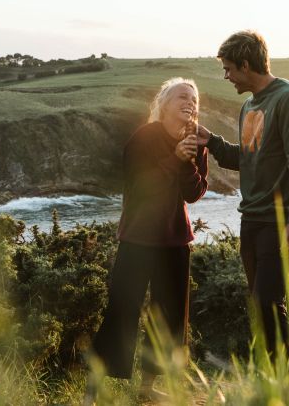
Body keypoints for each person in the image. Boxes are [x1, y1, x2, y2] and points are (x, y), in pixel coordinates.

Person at [195, 30, 289, 354]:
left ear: (246, 65)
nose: (226, 76)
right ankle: (277, 380)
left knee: (268, 301)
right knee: (260, 304)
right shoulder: (249, 106)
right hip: (250, 219)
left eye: (229, 68)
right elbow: (248, 158)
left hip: (278, 221)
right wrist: (213, 142)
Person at [88, 77, 207, 401]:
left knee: (169, 316)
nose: (191, 102)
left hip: (175, 240)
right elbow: (140, 185)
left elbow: (194, 193)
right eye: (183, 96)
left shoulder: (196, 140)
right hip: (139, 237)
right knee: (122, 309)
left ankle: (147, 388)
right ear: (165, 103)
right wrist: (175, 159)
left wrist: (188, 162)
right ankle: (94, 388)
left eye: (195, 99)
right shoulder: (144, 137)